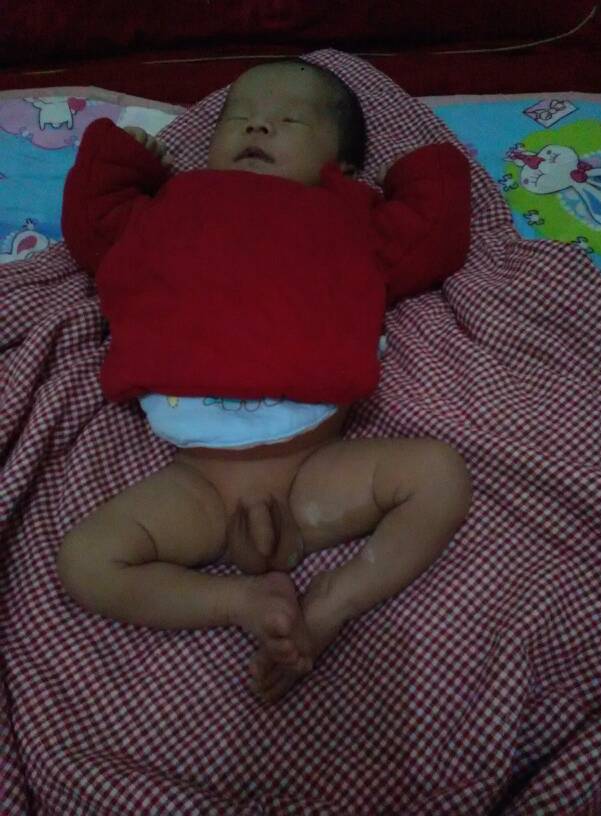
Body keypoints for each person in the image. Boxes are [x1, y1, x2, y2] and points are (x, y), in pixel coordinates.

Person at [57, 58, 473, 702]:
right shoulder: (171, 205)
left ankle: (336, 600)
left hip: (315, 471)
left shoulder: (349, 215)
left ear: (345, 165)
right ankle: (236, 601)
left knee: (440, 474)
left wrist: (423, 170)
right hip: (199, 484)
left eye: (289, 120)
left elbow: (434, 234)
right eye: (238, 118)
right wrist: (122, 163)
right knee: (85, 560)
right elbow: (93, 226)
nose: (257, 125)